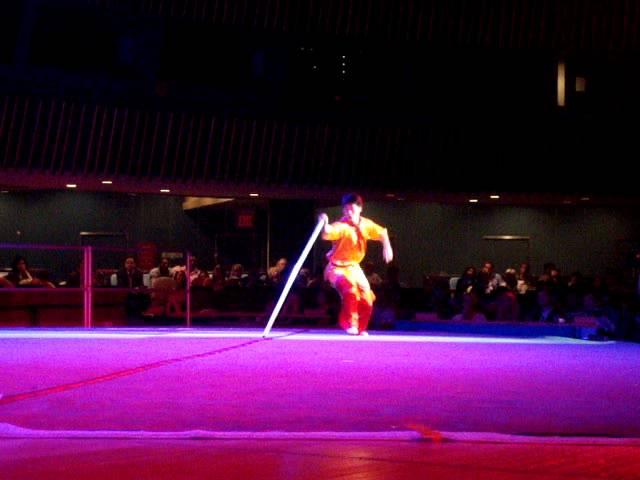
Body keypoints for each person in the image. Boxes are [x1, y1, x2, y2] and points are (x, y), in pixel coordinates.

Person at [319, 193, 393, 336]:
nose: (348, 213)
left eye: (351, 210)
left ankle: (361, 328)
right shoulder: (341, 226)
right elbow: (328, 233)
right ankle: (349, 324)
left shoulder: (366, 225)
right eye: (345, 210)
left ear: (360, 209)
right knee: (350, 289)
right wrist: (324, 223)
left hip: (354, 267)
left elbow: (383, 232)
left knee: (367, 297)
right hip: (337, 268)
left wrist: (387, 247)